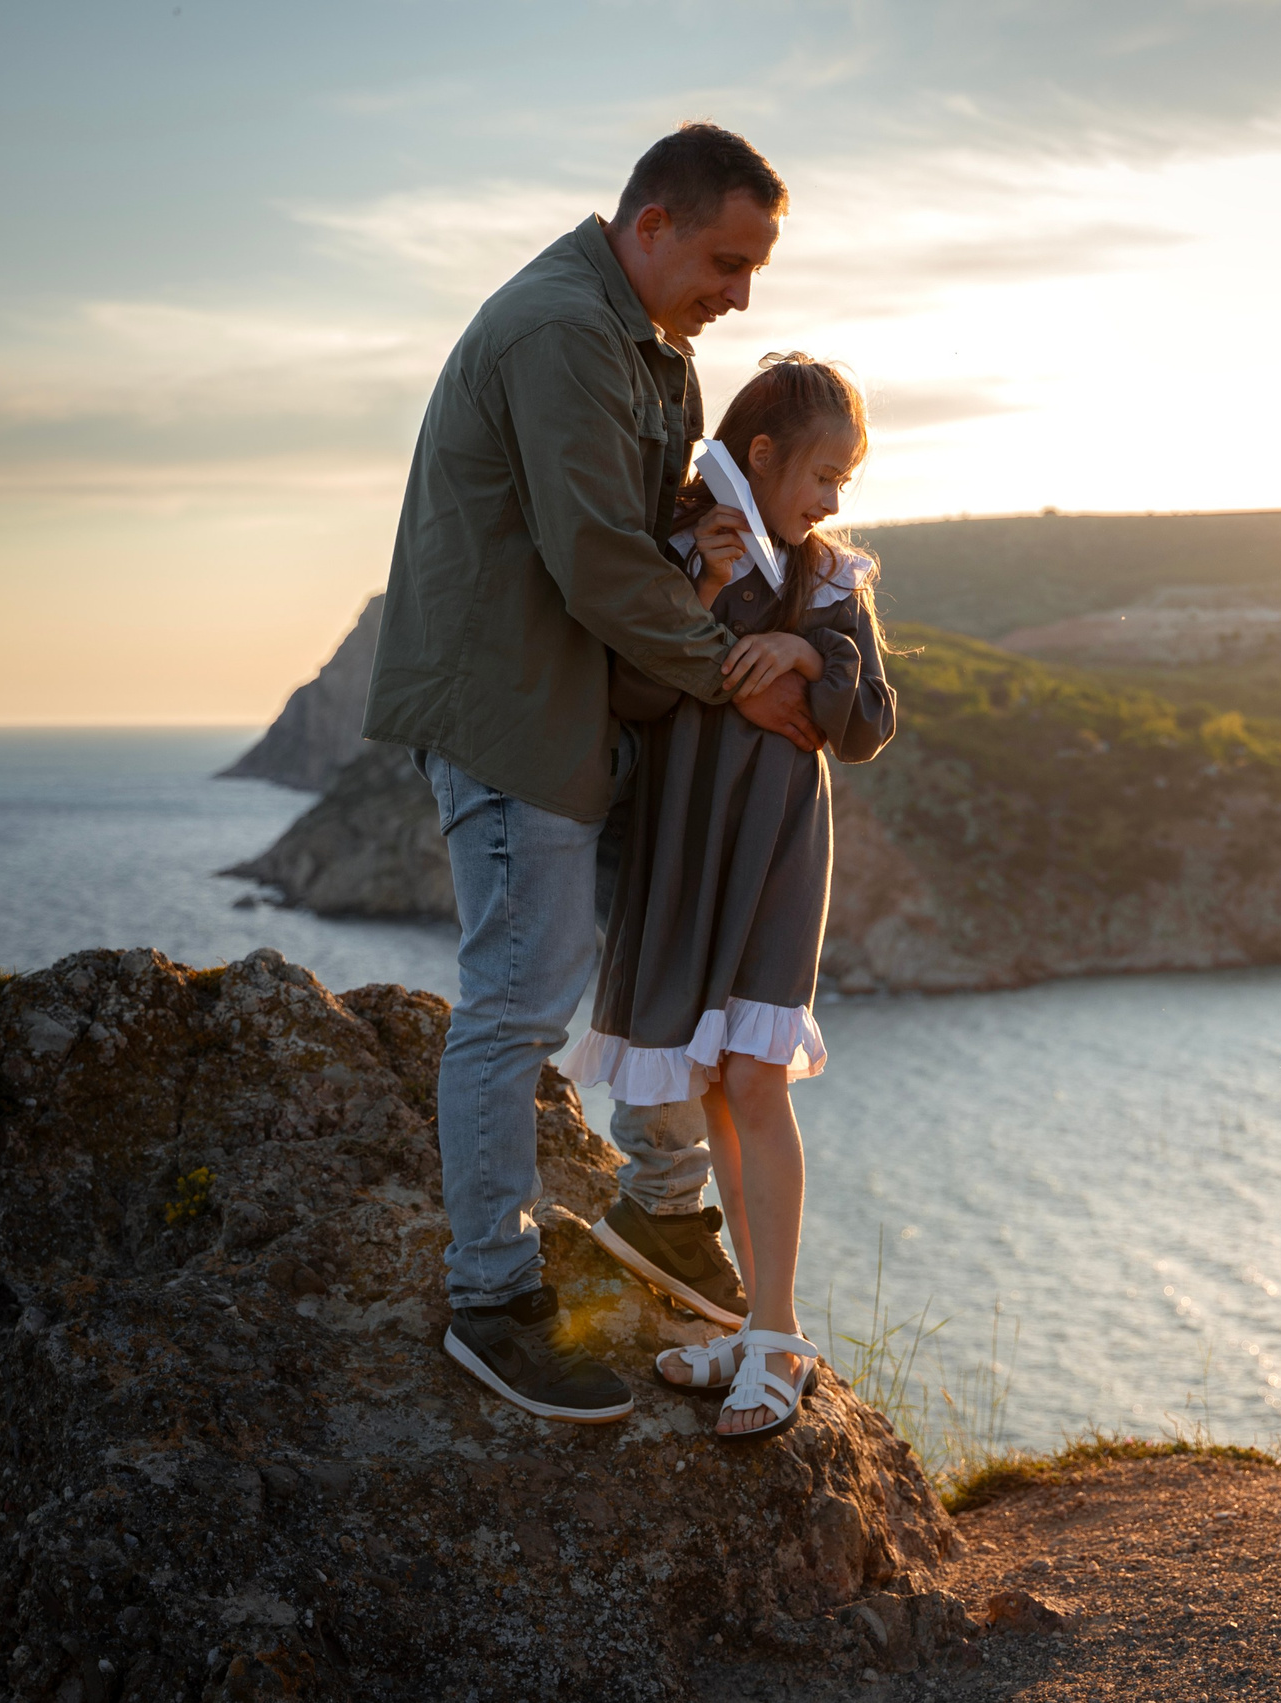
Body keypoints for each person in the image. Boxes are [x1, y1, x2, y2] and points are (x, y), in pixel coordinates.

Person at [363, 123, 823, 1424]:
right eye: (729, 260)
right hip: (518, 714)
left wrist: (702, 530)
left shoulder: (653, 350)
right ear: (653, 223)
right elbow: (593, 560)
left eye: (755, 269)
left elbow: (638, 532)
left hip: (596, 704)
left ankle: (664, 1212)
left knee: (660, 954)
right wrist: (735, 667)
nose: (743, 294)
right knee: (518, 1001)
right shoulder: (564, 329)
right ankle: (495, 1301)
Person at [557, 354, 896, 1441]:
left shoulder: (834, 579)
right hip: (680, 841)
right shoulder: (680, 553)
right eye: (824, 474)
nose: (834, 499)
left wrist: (807, 647)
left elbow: (871, 722)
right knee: (709, 1078)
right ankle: (755, 1325)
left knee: (757, 1073)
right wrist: (698, 595)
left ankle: (780, 1331)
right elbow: (630, 694)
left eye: (846, 479)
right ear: (761, 456)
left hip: (776, 843)